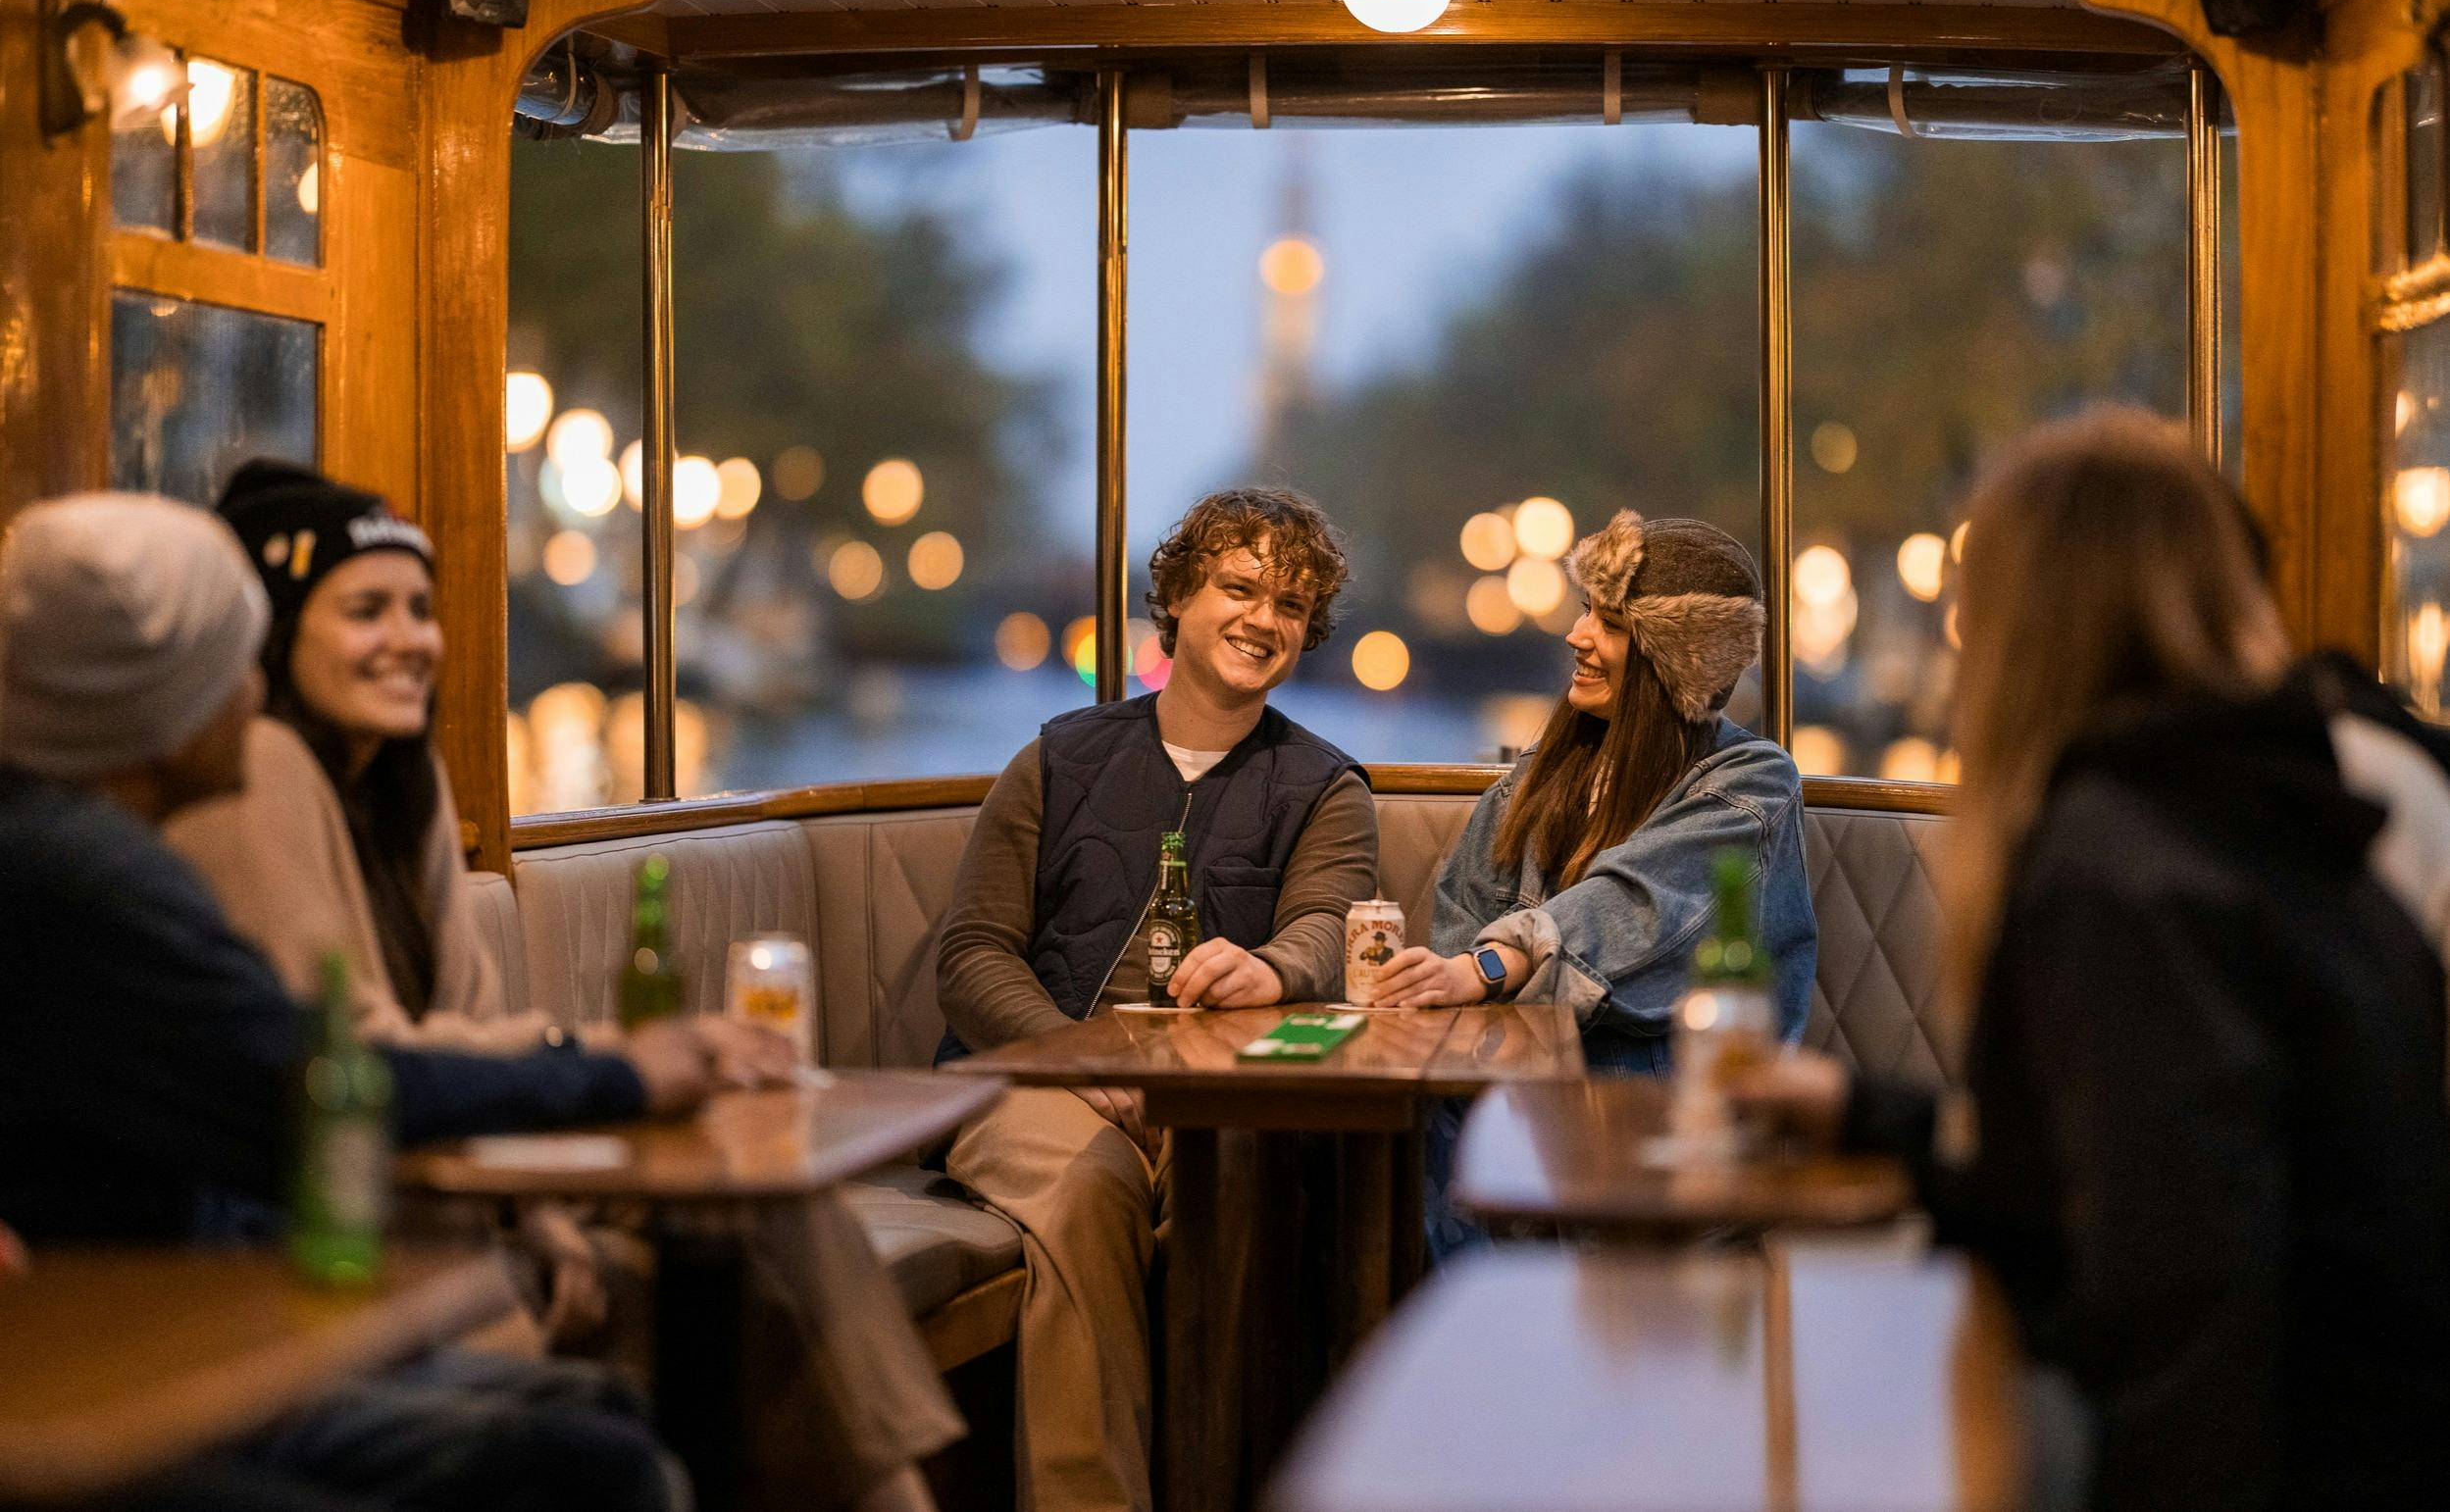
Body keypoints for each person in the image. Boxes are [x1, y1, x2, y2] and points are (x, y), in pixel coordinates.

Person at [160, 460, 961, 1512]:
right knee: (739, 1280)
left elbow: (475, 1021)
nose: (408, 638)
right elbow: (355, 1062)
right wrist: (599, 1086)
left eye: (419, 608)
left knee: (769, 1225)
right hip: (351, 1239)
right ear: (273, 628)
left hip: (467, 1190)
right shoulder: (259, 769)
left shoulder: (405, 785)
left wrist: (538, 1207)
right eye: (365, 610)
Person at [1732, 416, 2450, 1511]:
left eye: (1980, 592)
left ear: (2038, 618)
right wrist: (1861, 1109)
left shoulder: (2116, 861)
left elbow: (2187, 1295)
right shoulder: (2259, 807)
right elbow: (2091, 1184)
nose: (1960, 627)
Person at [0, 491, 714, 1512]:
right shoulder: (90, 875)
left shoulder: (72, 844)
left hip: (159, 1321)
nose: (253, 694)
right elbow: (322, 1095)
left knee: (599, 1418)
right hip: (106, 1368)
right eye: (234, 665)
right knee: (600, 1460)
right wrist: (623, 1070)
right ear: (165, 707)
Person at [934, 487, 1378, 1512]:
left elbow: (1325, 928)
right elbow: (971, 953)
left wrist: (1270, 968)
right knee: (1091, 1188)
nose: (1263, 618)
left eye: (1291, 604)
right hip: (1037, 1084)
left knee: (1262, 1192)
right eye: (1237, 586)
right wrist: (1080, 1053)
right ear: (1174, 596)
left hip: (1213, 1096)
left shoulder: (1324, 788)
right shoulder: (1054, 759)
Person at [1373, 512, 1814, 1059]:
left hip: (1668, 1104)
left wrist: (1492, 964)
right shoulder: (1539, 775)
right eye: (1587, 610)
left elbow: (1640, 905)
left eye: (1612, 624)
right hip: (1516, 1083)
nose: (1575, 635)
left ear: (1672, 663)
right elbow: (1459, 926)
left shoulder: (1753, 780)